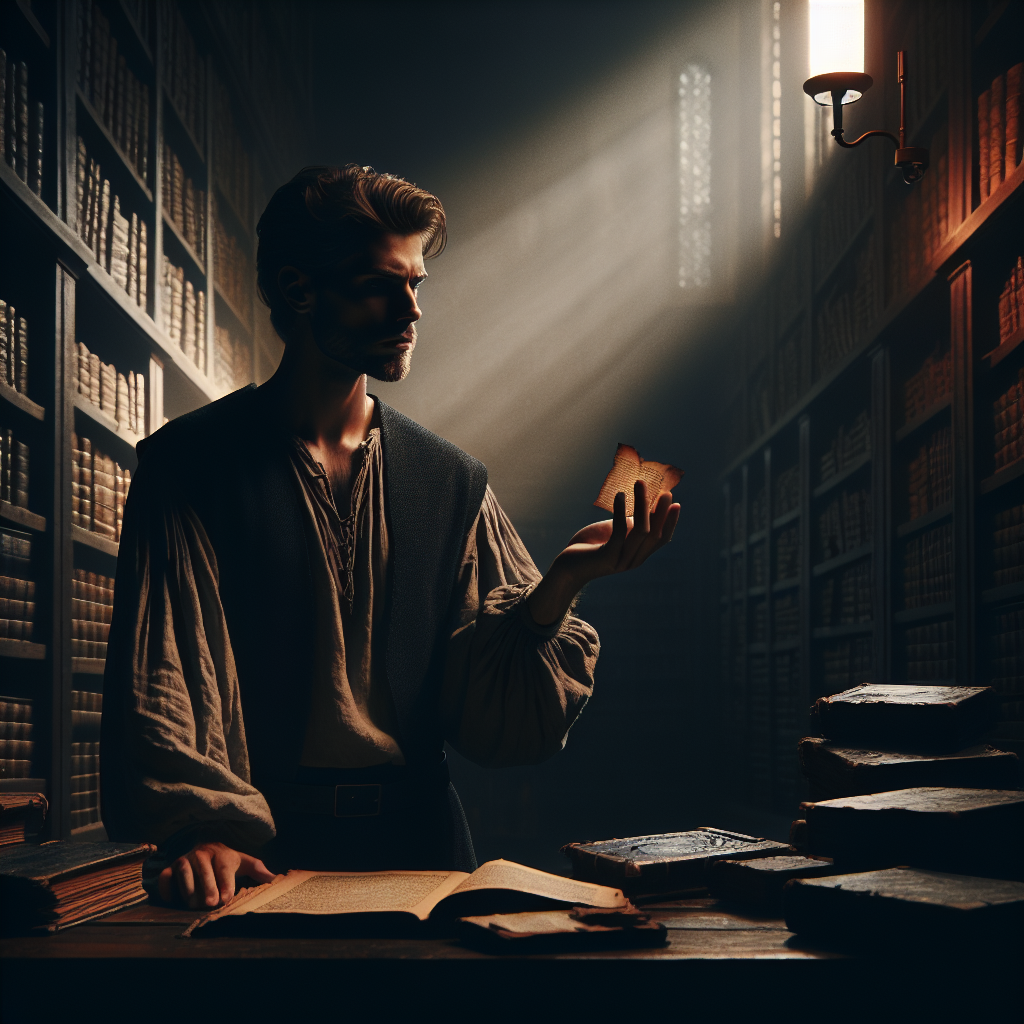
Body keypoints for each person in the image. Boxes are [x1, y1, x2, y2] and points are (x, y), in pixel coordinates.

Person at [101, 165, 680, 910]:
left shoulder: (451, 479)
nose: (410, 310)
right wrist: (200, 827)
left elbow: (498, 728)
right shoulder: (190, 467)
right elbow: (164, 677)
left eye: (417, 283)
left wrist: (562, 583)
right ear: (299, 287)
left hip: (423, 853)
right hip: (257, 864)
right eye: (380, 283)